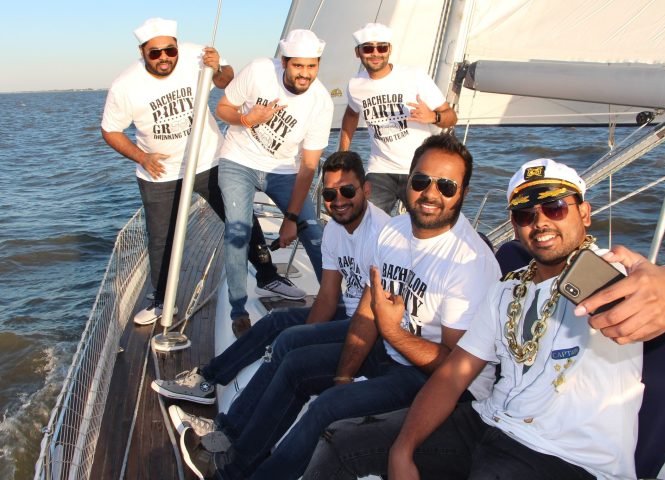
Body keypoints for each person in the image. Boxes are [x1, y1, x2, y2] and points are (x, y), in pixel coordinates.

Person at [304, 158, 665, 480]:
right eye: (525, 213)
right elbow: (454, 373)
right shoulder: (506, 290)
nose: (540, 221)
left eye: (555, 207)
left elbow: (656, 292)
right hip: (487, 423)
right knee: (340, 441)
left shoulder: (609, 279)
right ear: (514, 225)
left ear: (584, 213)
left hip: (564, 457)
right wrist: (403, 449)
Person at [179, 134, 501, 479]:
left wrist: (391, 331)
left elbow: (455, 367)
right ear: (408, 181)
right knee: (295, 366)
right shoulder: (393, 232)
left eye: (447, 186)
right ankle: (236, 462)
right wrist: (345, 375)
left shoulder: (469, 263)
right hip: (392, 350)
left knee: (327, 408)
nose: (431, 194)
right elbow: (365, 311)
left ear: (463, 193)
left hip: (444, 383)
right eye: (422, 181)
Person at [151, 151, 390, 412]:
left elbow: (376, 316)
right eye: (330, 195)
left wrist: (302, 342)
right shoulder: (334, 228)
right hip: (352, 313)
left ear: (365, 189)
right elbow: (328, 297)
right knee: (277, 321)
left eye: (347, 190)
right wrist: (306, 335)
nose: (339, 201)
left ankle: (229, 427)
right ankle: (208, 379)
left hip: (373, 326)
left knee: (287, 345)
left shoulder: (383, 235)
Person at [101, 18, 302, 327]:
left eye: (170, 49)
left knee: (241, 218)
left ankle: (268, 276)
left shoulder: (197, 55)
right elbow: (110, 130)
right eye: (156, 53)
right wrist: (141, 156)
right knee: (161, 240)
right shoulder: (125, 85)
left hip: (209, 159)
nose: (165, 57)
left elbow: (226, 81)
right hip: (161, 172)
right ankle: (161, 300)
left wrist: (218, 67)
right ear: (142, 52)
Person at [215, 29, 333, 337]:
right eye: (298, 66)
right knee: (237, 230)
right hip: (238, 160)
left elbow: (308, 165)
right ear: (284, 62)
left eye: (311, 66)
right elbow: (223, 109)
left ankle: (334, 302)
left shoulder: (321, 102)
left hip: (283, 170)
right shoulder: (258, 70)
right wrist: (247, 119)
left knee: (313, 229)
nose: (304, 74)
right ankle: (238, 309)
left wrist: (291, 219)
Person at [338, 23, 458, 214]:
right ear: (358, 52)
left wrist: (433, 116)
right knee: (365, 222)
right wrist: (342, 154)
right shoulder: (355, 85)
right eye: (368, 48)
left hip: (419, 168)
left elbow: (451, 117)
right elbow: (351, 115)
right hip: (380, 169)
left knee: (427, 224)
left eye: (382, 47)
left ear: (390, 49)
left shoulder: (414, 76)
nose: (376, 53)